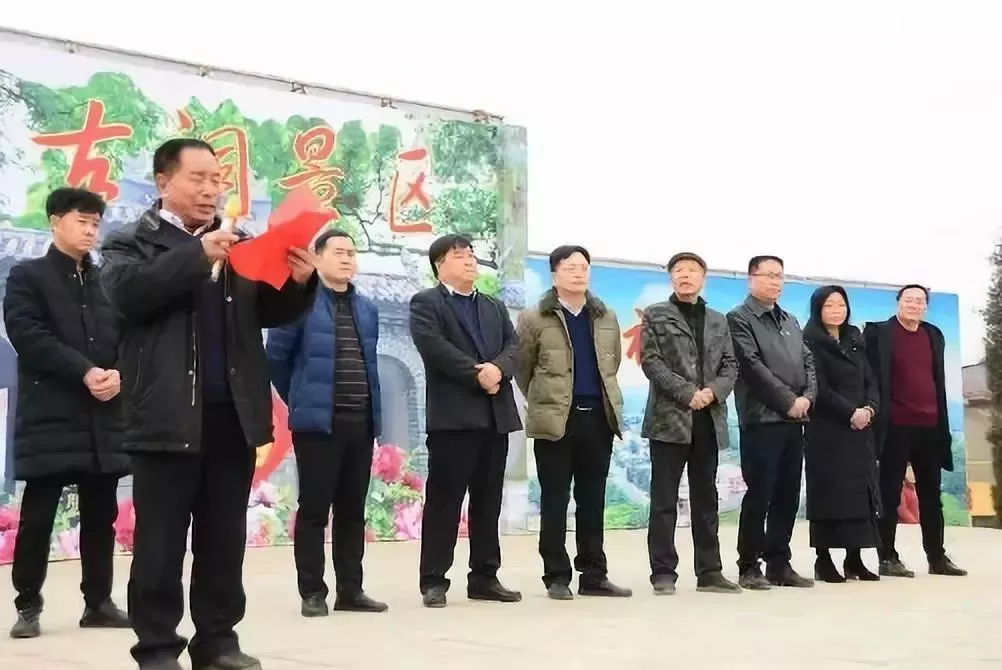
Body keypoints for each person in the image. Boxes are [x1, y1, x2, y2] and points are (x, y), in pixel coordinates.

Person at [100, 138, 317, 670]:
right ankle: (156, 648)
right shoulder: (131, 242)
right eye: (196, 178)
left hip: (232, 417)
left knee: (223, 540)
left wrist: (299, 281)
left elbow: (269, 310)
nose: (210, 189)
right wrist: (198, 255)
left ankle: (217, 642)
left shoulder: (238, 243)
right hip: (166, 416)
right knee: (160, 543)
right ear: (163, 181)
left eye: (216, 179)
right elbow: (128, 296)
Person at [3, 187, 130, 639]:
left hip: (103, 415)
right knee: (38, 517)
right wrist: (84, 371)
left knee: (101, 516)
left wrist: (118, 373)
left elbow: (127, 336)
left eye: (96, 223)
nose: (90, 230)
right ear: (55, 221)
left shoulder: (106, 281)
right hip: (51, 415)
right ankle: (28, 605)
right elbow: (27, 334)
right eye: (81, 221)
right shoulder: (28, 277)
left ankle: (98, 602)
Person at [266, 228, 386, 617]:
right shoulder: (298, 303)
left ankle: (351, 589)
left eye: (352, 252)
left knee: (352, 510)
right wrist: (301, 398)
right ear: (316, 258)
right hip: (318, 425)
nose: (347, 258)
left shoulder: (367, 308)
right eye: (338, 252)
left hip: (360, 423)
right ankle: (312, 592)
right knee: (315, 509)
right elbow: (275, 359)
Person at [409, 234, 522, 608]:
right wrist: (478, 374)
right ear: (439, 264)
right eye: (459, 255)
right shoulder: (426, 303)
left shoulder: (493, 306)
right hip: (453, 419)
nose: (470, 260)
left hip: (494, 416)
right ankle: (434, 580)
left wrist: (498, 370)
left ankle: (485, 577)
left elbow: (514, 347)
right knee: (445, 502)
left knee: (488, 502)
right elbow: (434, 348)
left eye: (472, 254)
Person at [514, 245, 631, 600]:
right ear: (554, 275)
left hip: (598, 418)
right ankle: (556, 576)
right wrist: (547, 398)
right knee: (555, 500)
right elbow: (523, 368)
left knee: (593, 500)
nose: (579, 273)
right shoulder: (534, 317)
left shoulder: (605, 315)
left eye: (584, 267)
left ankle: (594, 574)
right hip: (556, 419)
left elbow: (611, 364)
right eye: (570, 267)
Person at [640, 252, 740, 595]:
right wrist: (687, 393)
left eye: (692, 271)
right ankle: (663, 572)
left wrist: (712, 392)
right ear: (671, 278)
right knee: (664, 499)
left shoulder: (718, 320)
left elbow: (731, 365)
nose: (686, 276)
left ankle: (710, 571)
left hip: (708, 419)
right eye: (679, 271)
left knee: (706, 498)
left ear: (703, 277)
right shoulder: (656, 314)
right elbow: (651, 362)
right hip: (669, 419)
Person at [863, 285, 966, 578]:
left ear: (926, 307)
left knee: (931, 495)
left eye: (920, 301)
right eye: (908, 300)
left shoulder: (933, 334)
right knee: (889, 494)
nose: (914, 305)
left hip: (930, 425)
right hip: (895, 425)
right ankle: (887, 557)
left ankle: (937, 557)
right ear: (898, 303)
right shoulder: (879, 333)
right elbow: (870, 377)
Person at [727, 255, 816, 590]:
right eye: (768, 275)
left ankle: (779, 562)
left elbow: (808, 362)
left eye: (779, 276)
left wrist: (807, 397)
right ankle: (749, 565)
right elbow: (751, 366)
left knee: (787, 494)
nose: (775, 282)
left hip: (795, 420)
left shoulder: (790, 320)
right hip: (761, 419)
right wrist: (788, 401)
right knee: (759, 494)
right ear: (751, 278)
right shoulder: (739, 318)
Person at [802, 285, 881, 583]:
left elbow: (871, 380)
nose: (836, 311)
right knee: (828, 495)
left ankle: (854, 558)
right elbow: (818, 387)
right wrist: (850, 412)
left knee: (859, 495)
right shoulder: (810, 341)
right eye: (829, 305)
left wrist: (870, 409)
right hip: (827, 429)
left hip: (860, 430)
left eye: (841, 305)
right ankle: (823, 560)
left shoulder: (855, 339)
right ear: (818, 309)